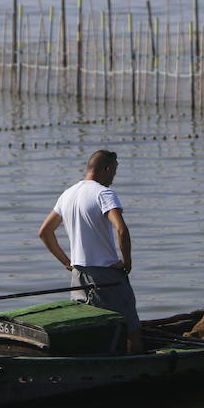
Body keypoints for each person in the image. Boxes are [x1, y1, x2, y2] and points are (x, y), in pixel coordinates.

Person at [38, 150, 142, 353]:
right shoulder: (104, 193)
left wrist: (67, 263)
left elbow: (45, 232)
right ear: (108, 169)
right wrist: (127, 262)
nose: (113, 178)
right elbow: (121, 229)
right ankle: (135, 369)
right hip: (107, 275)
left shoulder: (67, 194)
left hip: (79, 276)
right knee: (131, 329)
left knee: (89, 328)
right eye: (114, 172)